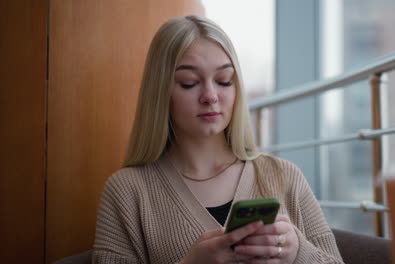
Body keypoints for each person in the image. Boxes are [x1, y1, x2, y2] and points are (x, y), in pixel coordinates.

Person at [93, 15, 343, 264]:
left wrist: (298, 252)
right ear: (160, 93)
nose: (210, 96)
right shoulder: (127, 191)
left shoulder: (285, 176)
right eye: (189, 83)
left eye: (224, 80)